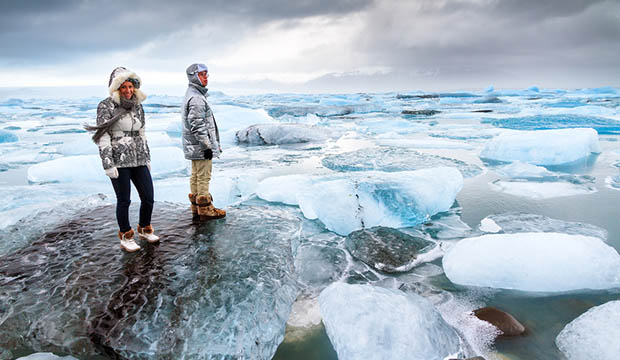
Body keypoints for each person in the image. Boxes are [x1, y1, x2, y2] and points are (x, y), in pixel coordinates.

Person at [85, 66, 160, 252]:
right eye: (123, 87)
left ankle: (144, 228)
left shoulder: (138, 106)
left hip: (139, 158)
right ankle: (126, 235)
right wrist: (108, 163)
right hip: (119, 160)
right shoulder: (106, 106)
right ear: (116, 88)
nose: (128, 91)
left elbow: (142, 133)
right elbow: (103, 137)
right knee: (124, 200)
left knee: (148, 197)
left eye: (131, 86)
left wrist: (147, 157)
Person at [181, 63, 226, 221]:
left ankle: (196, 207)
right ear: (194, 76)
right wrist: (206, 146)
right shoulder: (197, 99)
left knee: (196, 175)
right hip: (200, 145)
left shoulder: (192, 94)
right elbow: (197, 125)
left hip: (195, 146)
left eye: (207, 74)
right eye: (202, 74)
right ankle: (205, 208)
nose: (206, 77)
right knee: (203, 176)